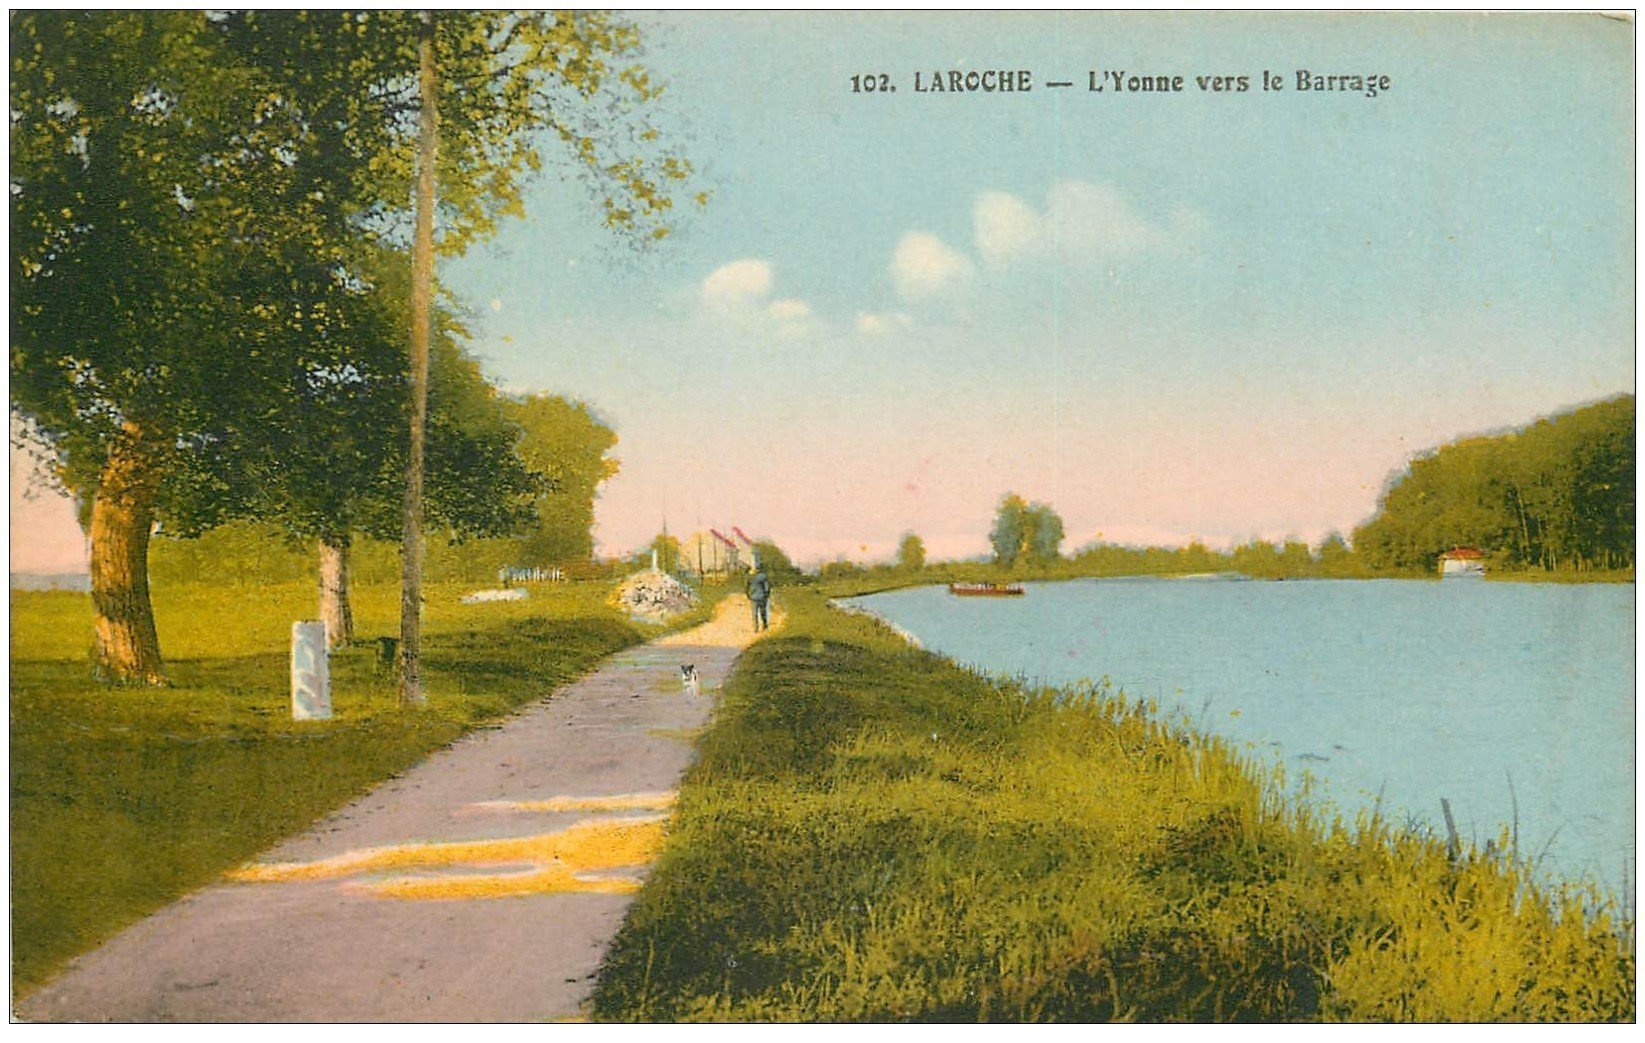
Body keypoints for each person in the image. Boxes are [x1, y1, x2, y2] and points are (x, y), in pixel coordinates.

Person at [746, 564, 771, 632]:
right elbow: (767, 587)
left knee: (754, 613)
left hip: (753, 598)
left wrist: (748, 595)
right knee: (763, 612)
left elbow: (746, 587)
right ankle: (764, 625)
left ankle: (755, 627)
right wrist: (767, 595)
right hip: (762, 597)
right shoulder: (763, 576)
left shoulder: (749, 577)